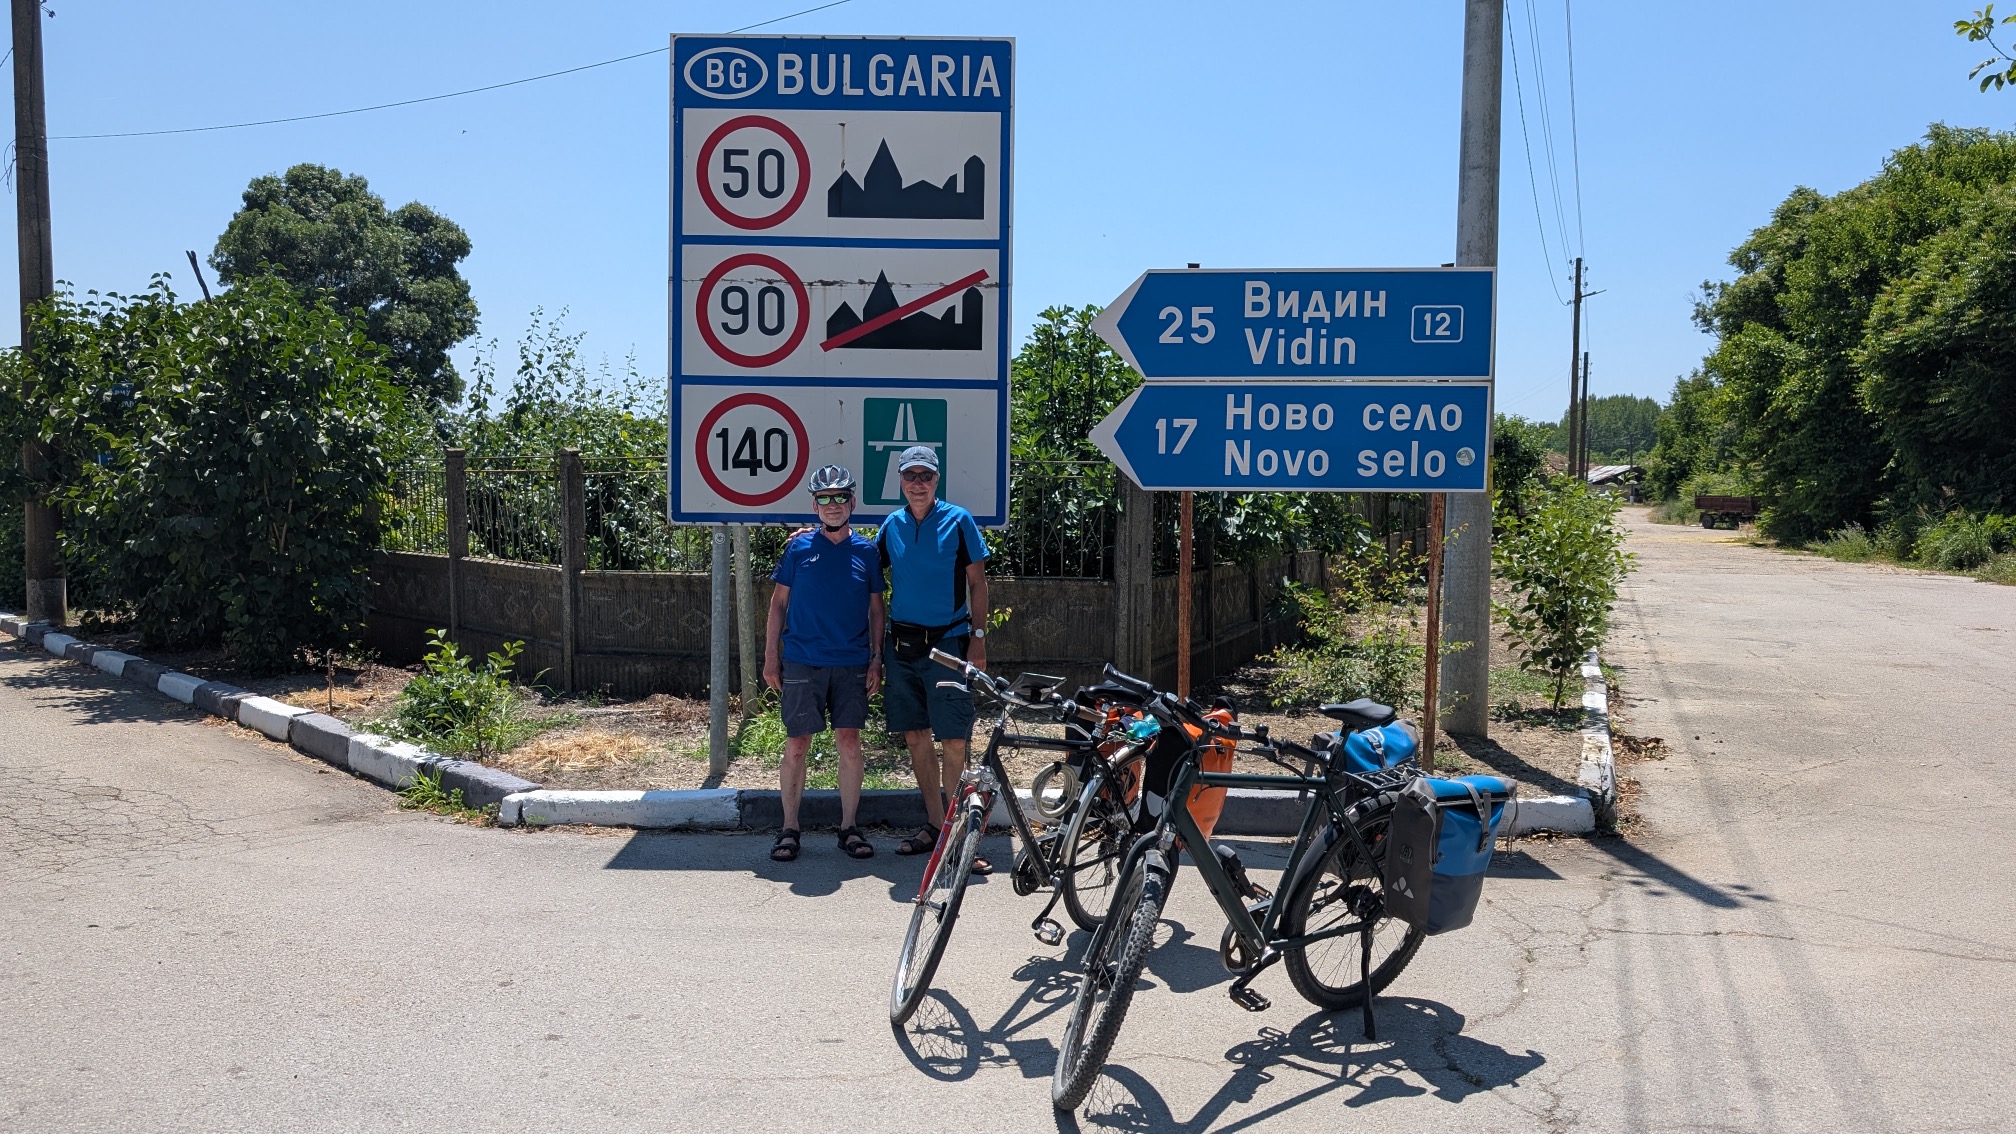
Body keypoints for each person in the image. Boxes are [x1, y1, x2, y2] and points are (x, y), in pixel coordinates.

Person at [877, 445, 993, 872]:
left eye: (925, 476)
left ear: (937, 480)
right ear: (900, 481)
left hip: (949, 645)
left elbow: (978, 583)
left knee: (955, 741)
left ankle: (959, 835)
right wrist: (808, 535)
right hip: (902, 646)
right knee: (915, 736)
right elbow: (860, 566)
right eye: (910, 476)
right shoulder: (891, 525)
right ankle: (935, 825)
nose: (918, 484)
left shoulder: (959, 521)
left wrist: (978, 639)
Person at [762, 465, 884, 863]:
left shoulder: (867, 551)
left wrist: (876, 659)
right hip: (802, 661)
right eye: (825, 498)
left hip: (852, 662)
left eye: (840, 497)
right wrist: (771, 657)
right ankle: (789, 828)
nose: (833, 504)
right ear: (815, 505)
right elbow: (778, 604)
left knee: (849, 742)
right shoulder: (797, 548)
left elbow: (876, 610)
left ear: (852, 503)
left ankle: (849, 827)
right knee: (797, 744)